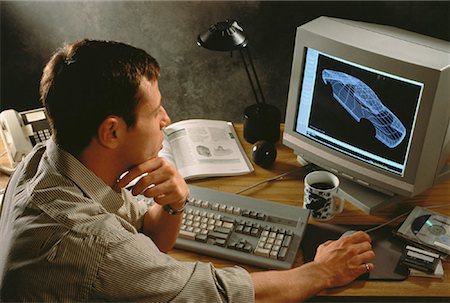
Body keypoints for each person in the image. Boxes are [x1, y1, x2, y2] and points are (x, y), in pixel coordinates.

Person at [0, 39, 375, 302]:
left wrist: (175, 203)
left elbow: (149, 238)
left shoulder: (45, 163)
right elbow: (219, 294)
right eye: (154, 112)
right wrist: (321, 272)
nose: (166, 119)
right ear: (111, 131)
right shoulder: (89, 243)